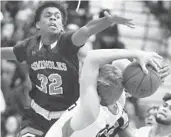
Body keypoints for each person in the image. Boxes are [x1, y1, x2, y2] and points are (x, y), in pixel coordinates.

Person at [1, 1, 135, 137]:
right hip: (37, 115)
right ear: (38, 24)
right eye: (48, 15)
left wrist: (106, 22)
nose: (53, 18)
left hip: (67, 116)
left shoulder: (67, 42)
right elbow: (12, 52)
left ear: (62, 26)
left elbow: (86, 30)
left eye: (57, 16)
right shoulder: (29, 46)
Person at [45, 48, 163, 137]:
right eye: (122, 87)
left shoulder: (114, 99)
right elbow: (92, 57)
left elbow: (119, 62)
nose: (125, 91)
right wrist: (137, 53)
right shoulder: (90, 113)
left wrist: (147, 72)